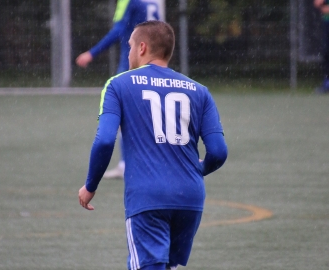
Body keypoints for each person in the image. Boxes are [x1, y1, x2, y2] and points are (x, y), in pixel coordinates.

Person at [78, 21, 228, 270]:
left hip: (149, 197)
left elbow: (105, 140)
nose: (128, 53)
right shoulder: (199, 91)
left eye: (130, 46)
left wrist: (90, 185)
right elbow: (219, 152)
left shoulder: (118, 85)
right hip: (190, 198)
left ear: (142, 47)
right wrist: (195, 170)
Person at [76, 0, 165, 178]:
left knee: (119, 115)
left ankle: (127, 165)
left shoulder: (128, 1)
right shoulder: (151, 3)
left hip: (130, 66)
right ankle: (154, 162)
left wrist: (91, 53)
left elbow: (118, 30)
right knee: (148, 114)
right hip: (154, 67)